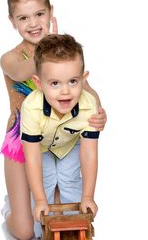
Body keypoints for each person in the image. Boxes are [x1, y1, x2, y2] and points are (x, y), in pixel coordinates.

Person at [0, 0, 107, 240]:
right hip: (25, 139)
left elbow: (85, 88)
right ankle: (11, 205)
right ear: (12, 21)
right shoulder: (11, 59)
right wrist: (47, 45)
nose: (33, 23)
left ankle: (49, 190)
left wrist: (98, 111)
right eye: (23, 18)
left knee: (61, 214)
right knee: (25, 232)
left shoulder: (62, 53)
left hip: (57, 139)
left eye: (39, 14)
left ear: (50, 12)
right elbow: (25, 71)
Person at [21, 34, 99, 225]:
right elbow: (32, 157)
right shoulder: (31, 107)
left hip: (70, 145)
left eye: (73, 81)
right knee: (45, 183)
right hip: (41, 148)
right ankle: (44, 237)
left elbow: (89, 153)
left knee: (70, 182)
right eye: (55, 83)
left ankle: (75, 229)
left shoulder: (89, 104)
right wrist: (40, 200)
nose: (65, 91)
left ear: (83, 78)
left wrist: (88, 197)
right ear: (39, 84)